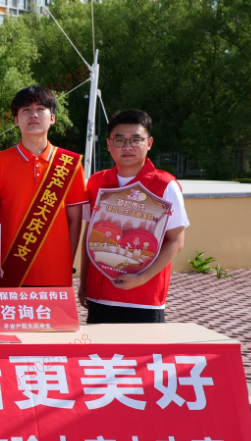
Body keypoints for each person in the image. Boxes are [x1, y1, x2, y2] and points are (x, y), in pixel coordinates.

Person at [79, 109, 188, 323]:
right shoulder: (96, 182)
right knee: (99, 346)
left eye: (136, 140)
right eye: (119, 140)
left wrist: (141, 278)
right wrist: (84, 283)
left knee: (142, 347)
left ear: (149, 143)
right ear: (109, 144)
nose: (127, 147)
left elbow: (176, 241)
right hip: (99, 296)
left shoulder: (165, 185)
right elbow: (89, 237)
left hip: (143, 300)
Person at [0, 85, 89, 291]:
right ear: (16, 119)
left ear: (53, 118)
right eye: (26, 110)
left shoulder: (70, 163)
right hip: (9, 271)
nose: (33, 115)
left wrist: (67, 262)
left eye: (40, 109)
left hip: (56, 272)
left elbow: (74, 221)